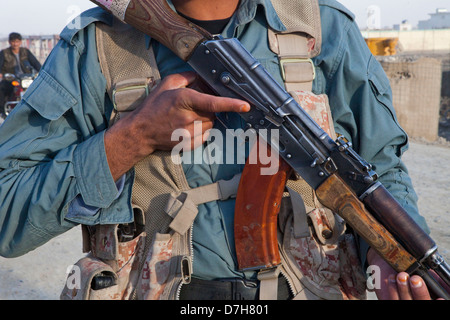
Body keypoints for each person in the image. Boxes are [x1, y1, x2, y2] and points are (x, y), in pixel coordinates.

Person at [0, 0, 444, 300]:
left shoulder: (322, 29)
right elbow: (7, 213)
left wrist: (384, 255)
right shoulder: (97, 46)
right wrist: (133, 137)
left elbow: (380, 169)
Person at [0, 32, 42, 113]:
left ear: (20, 42)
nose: (15, 44)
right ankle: (2, 111)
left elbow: (35, 63)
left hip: (26, 77)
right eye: (13, 41)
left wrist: (41, 71)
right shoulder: (4, 53)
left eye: (17, 41)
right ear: (9, 42)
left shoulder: (25, 51)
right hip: (11, 78)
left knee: (39, 88)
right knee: (2, 89)